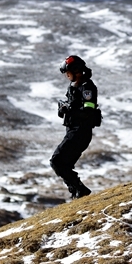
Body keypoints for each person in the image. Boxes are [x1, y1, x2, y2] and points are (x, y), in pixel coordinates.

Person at [50, 55, 101, 199]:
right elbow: (71, 107)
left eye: (68, 72)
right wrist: (63, 109)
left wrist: (70, 109)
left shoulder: (87, 87)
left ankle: (80, 190)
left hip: (81, 132)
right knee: (63, 164)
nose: (67, 75)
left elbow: (88, 110)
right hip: (73, 130)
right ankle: (77, 193)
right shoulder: (74, 86)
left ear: (76, 71)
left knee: (57, 161)